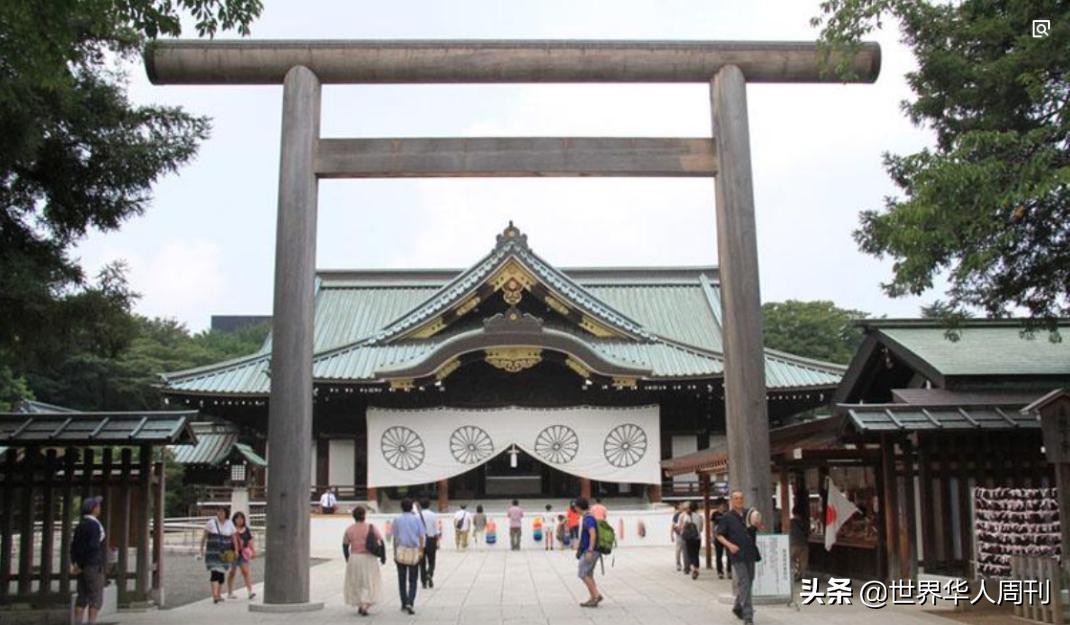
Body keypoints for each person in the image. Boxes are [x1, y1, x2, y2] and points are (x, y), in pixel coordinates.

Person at [716, 490, 760, 625]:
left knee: (749, 581)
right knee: (745, 582)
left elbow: (757, 526)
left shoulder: (749, 513)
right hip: (737, 554)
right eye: (735, 498)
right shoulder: (727, 517)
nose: (738, 501)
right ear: (731, 500)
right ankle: (748, 616)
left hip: (751, 553)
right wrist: (730, 546)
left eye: (741, 498)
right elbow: (719, 535)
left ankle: (737, 606)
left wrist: (757, 522)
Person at [343, 505, 384, 616]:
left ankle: (360, 604)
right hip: (369, 557)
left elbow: (345, 545)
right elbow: (380, 540)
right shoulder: (371, 527)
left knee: (356, 582)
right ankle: (366, 604)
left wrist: (347, 558)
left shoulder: (349, 529)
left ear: (354, 516)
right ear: (364, 516)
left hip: (355, 557)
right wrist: (382, 556)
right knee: (370, 581)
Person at [71, 496, 106, 625]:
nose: (99, 508)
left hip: (80, 565)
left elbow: (74, 546)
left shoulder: (80, 525)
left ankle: (78, 622)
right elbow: (92, 546)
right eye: (97, 506)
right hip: (92, 564)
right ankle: (92, 622)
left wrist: (76, 563)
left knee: (82, 596)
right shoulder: (94, 525)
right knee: (95, 597)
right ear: (94, 509)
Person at [393, 498, 426, 615]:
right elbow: (422, 536)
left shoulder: (397, 520)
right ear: (412, 507)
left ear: (401, 507)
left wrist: (394, 553)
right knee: (413, 579)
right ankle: (410, 602)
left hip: (401, 550)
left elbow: (395, 538)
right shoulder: (417, 519)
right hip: (413, 551)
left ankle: (403, 602)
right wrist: (421, 550)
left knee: (401, 579)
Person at [200, 507, 235, 604]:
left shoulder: (229, 523)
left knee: (221, 573)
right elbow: (204, 536)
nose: (220, 513)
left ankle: (219, 594)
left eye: (223, 512)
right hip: (213, 552)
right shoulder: (211, 522)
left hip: (225, 553)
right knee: (214, 572)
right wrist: (201, 549)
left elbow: (234, 537)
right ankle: (215, 595)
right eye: (219, 511)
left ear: (226, 513)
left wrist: (236, 550)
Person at [574, 497, 603, 608]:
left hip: (590, 551)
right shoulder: (587, 517)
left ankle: (596, 595)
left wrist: (590, 550)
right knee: (588, 574)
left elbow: (593, 534)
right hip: (589, 550)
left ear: (578, 507)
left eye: (575, 506)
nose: (575, 508)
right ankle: (593, 596)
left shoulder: (588, 519)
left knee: (583, 573)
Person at [227, 511, 256, 599]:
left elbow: (250, 540)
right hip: (232, 552)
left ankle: (250, 591)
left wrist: (253, 550)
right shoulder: (231, 529)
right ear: (234, 519)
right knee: (232, 572)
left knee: (245, 571)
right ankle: (230, 592)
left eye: (241, 518)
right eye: (237, 518)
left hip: (243, 553)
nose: (239, 520)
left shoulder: (246, 529)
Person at [679, 501, 704, 579]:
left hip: (689, 538)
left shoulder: (685, 516)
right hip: (697, 538)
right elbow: (701, 528)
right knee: (696, 554)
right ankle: (696, 568)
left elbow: (682, 527)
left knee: (690, 554)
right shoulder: (700, 516)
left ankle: (693, 568)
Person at [417, 497, 439, 588]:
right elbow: (436, 530)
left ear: (420, 505)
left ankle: (423, 582)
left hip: (420, 541)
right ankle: (429, 573)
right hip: (431, 539)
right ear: (429, 504)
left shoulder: (417, 516)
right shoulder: (433, 515)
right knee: (432, 560)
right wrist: (437, 541)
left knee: (421, 563)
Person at [711, 499, 733, 580]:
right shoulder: (715, 514)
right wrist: (712, 536)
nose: (724, 506)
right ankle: (720, 572)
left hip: (727, 537)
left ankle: (729, 571)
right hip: (718, 537)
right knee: (718, 555)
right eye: (723, 505)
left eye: (725, 505)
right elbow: (712, 525)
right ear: (719, 505)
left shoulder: (728, 513)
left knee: (729, 555)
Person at [789, 507, 809, 582]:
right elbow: (808, 533)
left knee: (791, 559)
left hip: (794, 543)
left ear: (793, 513)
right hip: (804, 543)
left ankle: (793, 575)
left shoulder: (791, 522)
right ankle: (802, 576)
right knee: (803, 561)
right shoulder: (805, 522)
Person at [671, 502, 684, 572]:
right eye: (681, 505)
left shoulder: (685, 514)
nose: (682, 506)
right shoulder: (676, 515)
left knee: (686, 550)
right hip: (679, 534)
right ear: (678, 506)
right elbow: (673, 525)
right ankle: (678, 564)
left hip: (686, 534)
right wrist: (671, 535)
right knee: (678, 549)